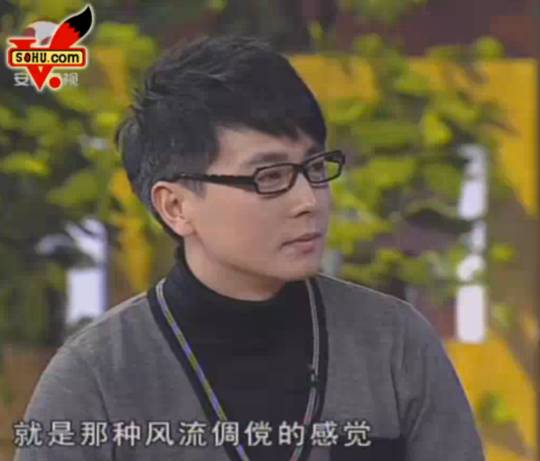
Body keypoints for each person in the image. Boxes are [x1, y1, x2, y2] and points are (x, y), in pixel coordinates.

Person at [13, 35, 485, 461]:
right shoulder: (96, 376)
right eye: (270, 176)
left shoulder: (393, 343)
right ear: (176, 206)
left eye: (315, 168)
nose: (308, 201)